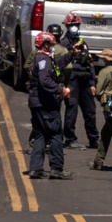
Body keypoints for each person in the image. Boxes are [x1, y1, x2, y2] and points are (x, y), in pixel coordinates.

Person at [27, 32, 73, 180]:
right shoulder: (43, 60)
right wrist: (61, 90)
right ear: (45, 45)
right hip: (46, 104)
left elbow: (58, 64)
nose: (53, 47)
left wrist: (72, 53)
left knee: (40, 134)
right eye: (51, 44)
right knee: (55, 134)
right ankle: (56, 168)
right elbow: (45, 80)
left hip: (37, 104)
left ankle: (35, 169)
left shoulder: (45, 59)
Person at [56, 13, 98, 150]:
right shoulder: (63, 44)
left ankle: (94, 139)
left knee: (90, 111)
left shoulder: (82, 43)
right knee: (71, 111)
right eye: (71, 25)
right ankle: (70, 139)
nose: (74, 28)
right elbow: (61, 64)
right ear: (67, 27)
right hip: (72, 79)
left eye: (76, 25)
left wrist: (92, 83)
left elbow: (89, 64)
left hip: (85, 79)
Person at [25, 24, 66, 154]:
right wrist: (61, 88)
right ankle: (55, 164)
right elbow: (45, 80)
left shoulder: (44, 55)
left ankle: (36, 164)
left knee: (41, 127)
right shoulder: (44, 57)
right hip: (47, 96)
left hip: (43, 95)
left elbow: (27, 66)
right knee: (52, 128)